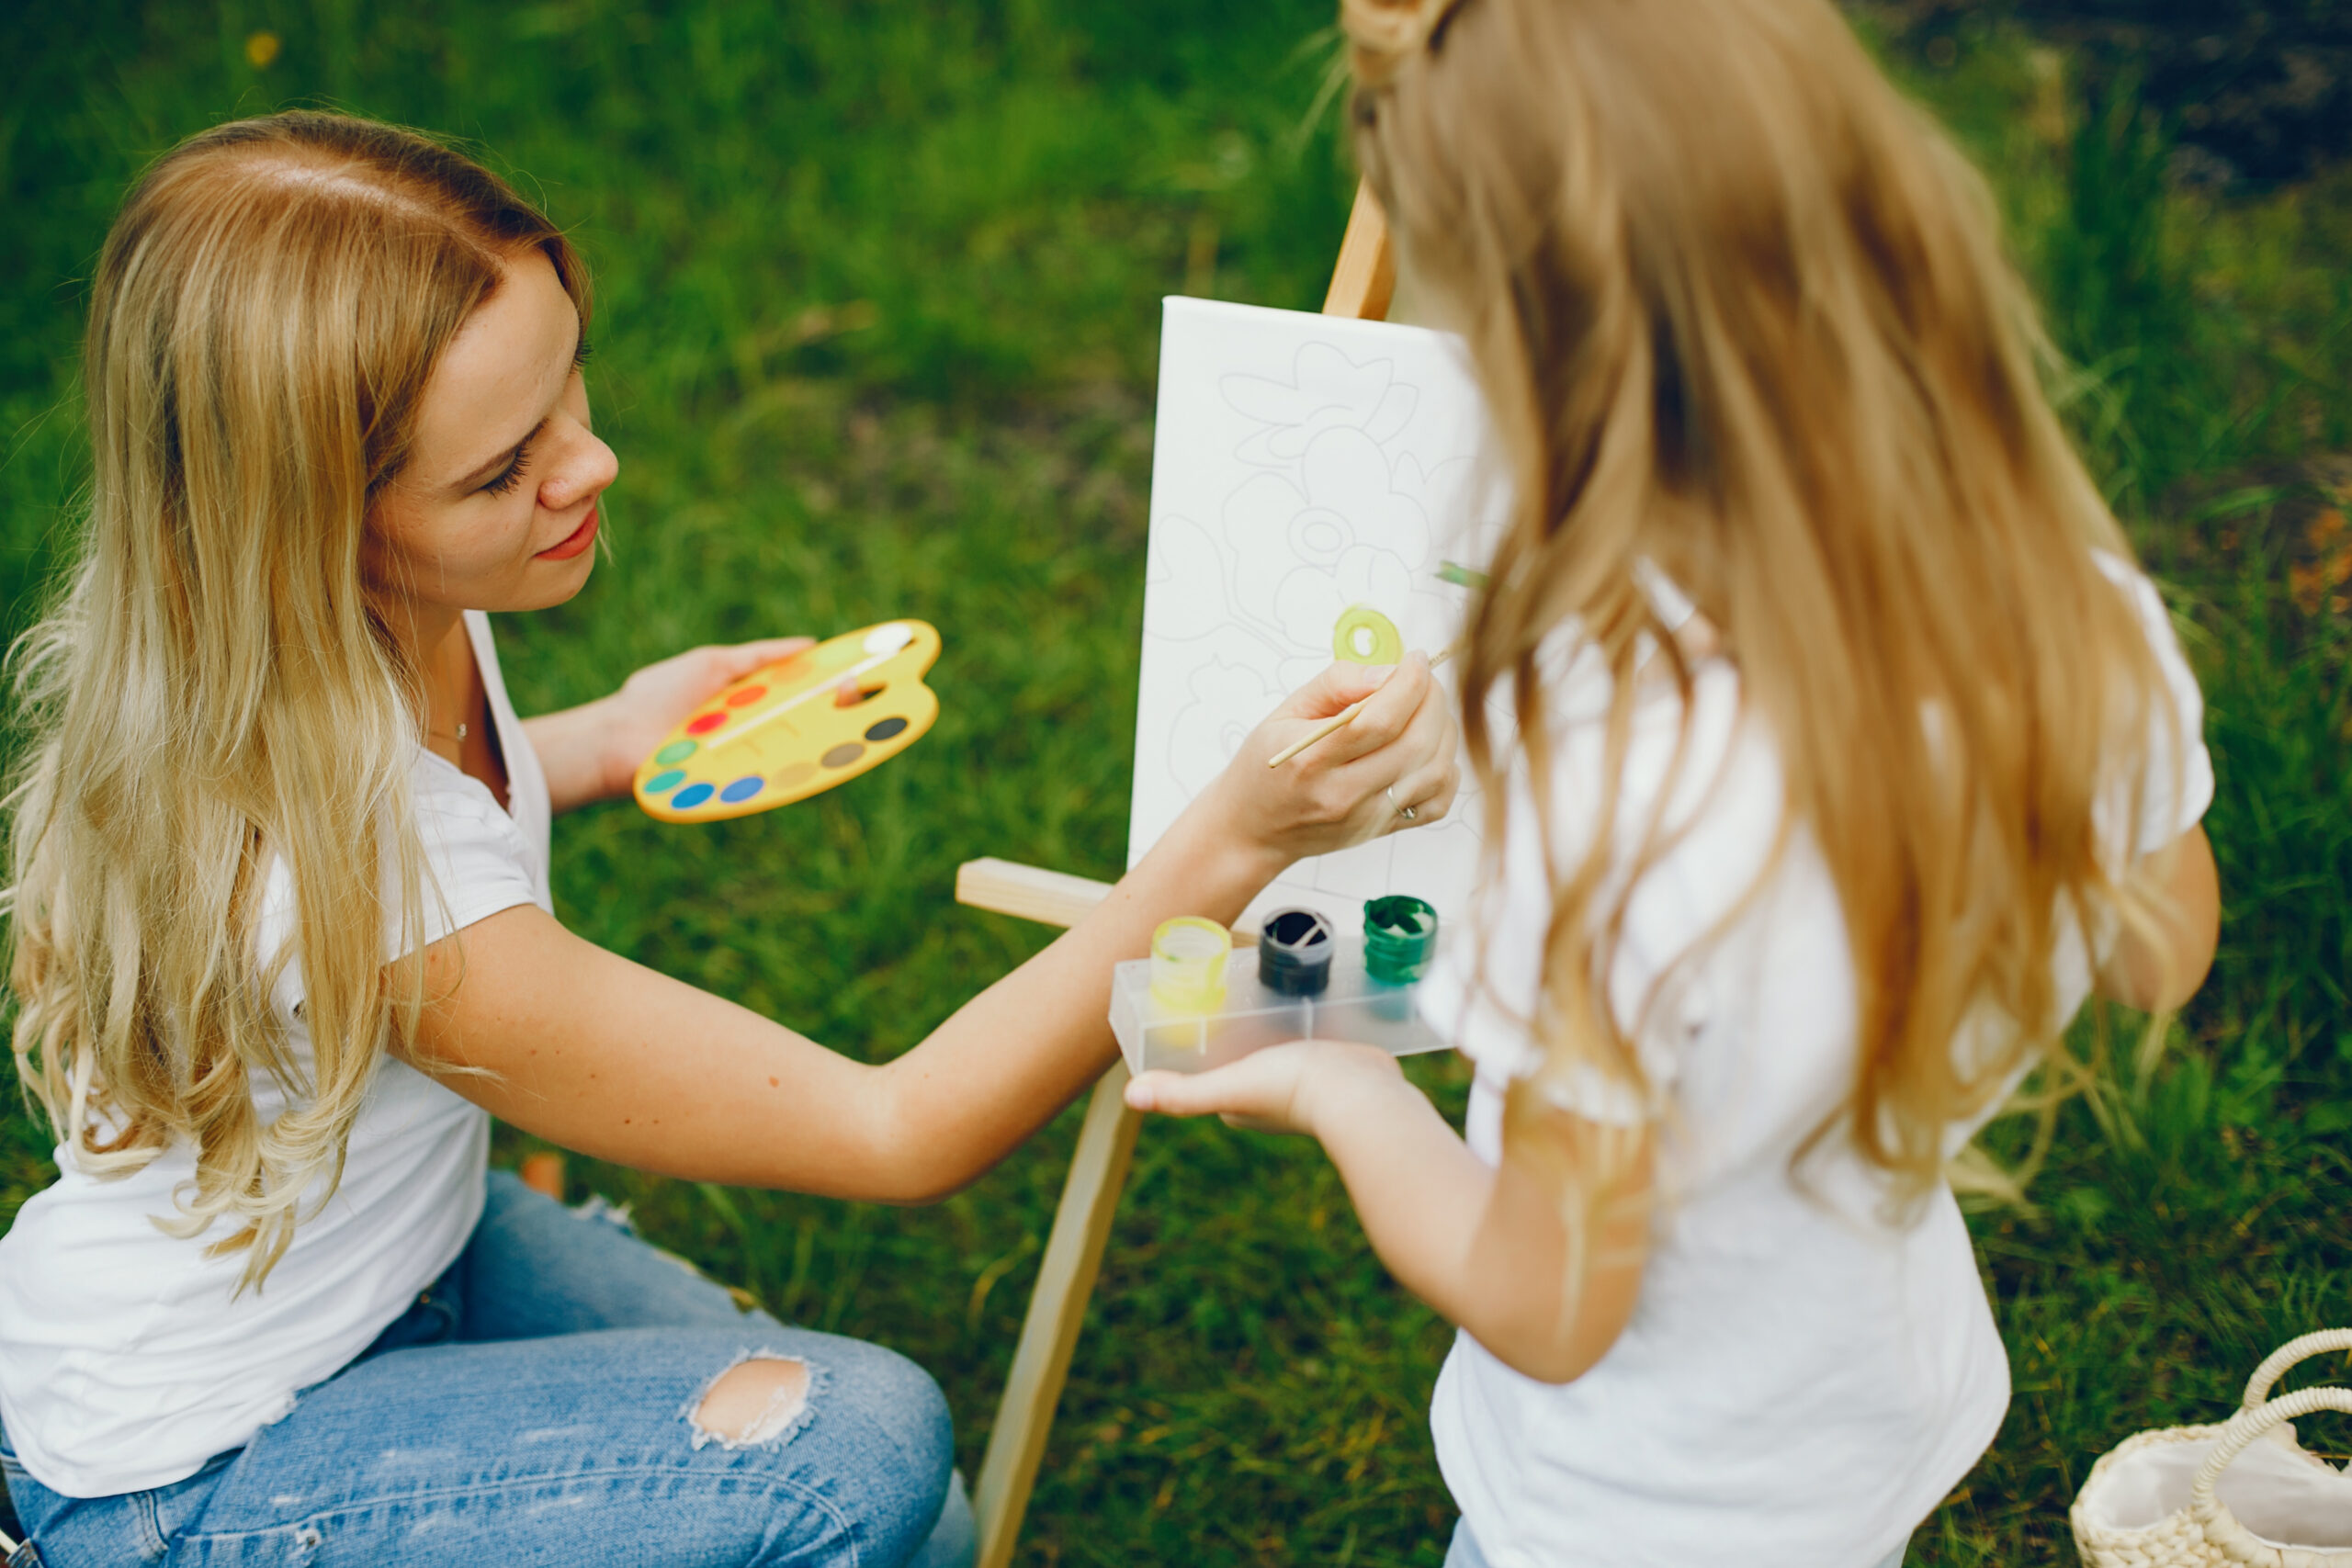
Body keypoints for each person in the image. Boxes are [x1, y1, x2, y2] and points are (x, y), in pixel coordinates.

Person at [0, 110, 1460, 1568]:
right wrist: (1234, 840)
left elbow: (448, 825)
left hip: (392, 1265)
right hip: (192, 1471)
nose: (594, 464)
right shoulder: (393, 886)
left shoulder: (374, 624)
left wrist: (605, 738)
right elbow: (899, 1130)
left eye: (570, 385)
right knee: (849, 1465)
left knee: (928, 1539)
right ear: (314, 522)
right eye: (504, 471)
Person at [1125, 3, 2222, 1564]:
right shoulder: (2071, 610)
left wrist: (1341, 1088)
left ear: (1539, 363)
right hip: (1863, 1428)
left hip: (1627, 1513)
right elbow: (2164, 947)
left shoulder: (1625, 826)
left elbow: (1549, 1303)